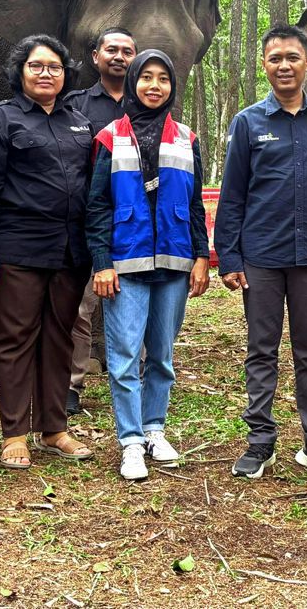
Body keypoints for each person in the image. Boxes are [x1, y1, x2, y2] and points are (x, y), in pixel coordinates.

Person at [215, 24, 307, 481]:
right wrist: (229, 257)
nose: (284, 66)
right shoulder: (248, 122)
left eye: (292, 57)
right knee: (261, 350)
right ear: (264, 65)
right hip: (261, 255)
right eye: (275, 58)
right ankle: (260, 441)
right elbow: (232, 195)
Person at [0, 35, 96, 470]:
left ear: (65, 74)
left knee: (60, 338)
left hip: (70, 253)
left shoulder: (79, 123)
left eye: (54, 67)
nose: (46, 73)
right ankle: (14, 433)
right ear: (19, 72)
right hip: (17, 250)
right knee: (15, 339)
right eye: (36, 66)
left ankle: (54, 428)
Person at [87, 50, 211, 481]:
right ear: (133, 83)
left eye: (163, 78)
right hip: (125, 262)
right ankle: (131, 442)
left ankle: (155, 428)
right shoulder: (109, 137)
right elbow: (97, 206)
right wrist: (102, 263)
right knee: (124, 357)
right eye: (146, 77)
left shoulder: (187, 138)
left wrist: (201, 257)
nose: (154, 86)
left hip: (174, 262)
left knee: (162, 356)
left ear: (172, 87)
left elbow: (194, 205)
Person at [62, 27, 138, 415]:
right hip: (86, 220)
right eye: (112, 50)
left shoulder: (147, 104)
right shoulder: (75, 105)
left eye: (127, 51)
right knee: (79, 306)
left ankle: (134, 380)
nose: (119, 57)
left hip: (135, 222)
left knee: (135, 302)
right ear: (96, 56)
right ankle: (70, 384)